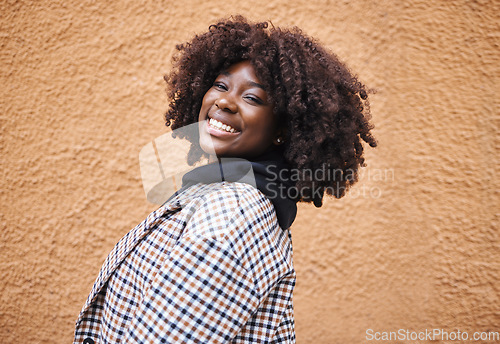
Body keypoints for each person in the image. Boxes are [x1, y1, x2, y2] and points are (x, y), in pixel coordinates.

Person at [74, 15, 376, 343]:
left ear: (282, 131)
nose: (224, 101)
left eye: (252, 98)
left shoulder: (232, 210)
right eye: (220, 85)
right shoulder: (229, 191)